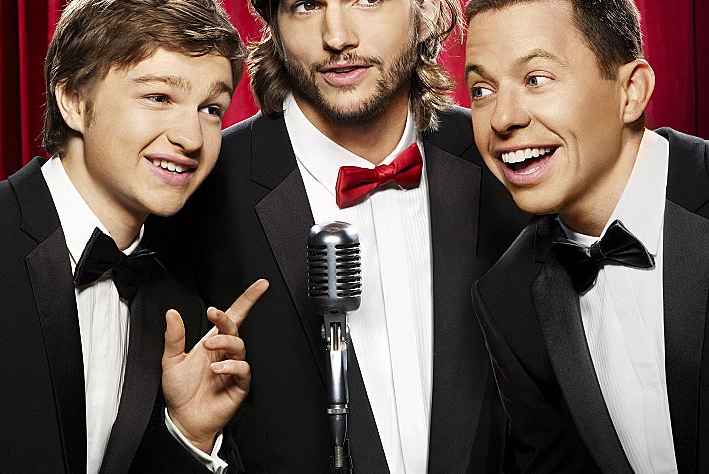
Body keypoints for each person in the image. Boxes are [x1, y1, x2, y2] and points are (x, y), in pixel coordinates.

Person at [145, 0, 528, 472]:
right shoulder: (192, 191)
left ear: (426, 9)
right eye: (306, 5)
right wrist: (190, 438)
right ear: (272, 22)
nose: (337, 36)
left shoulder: (510, 161)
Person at [0, 0, 268, 472]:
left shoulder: (182, 314)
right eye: (159, 97)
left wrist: (189, 435)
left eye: (211, 109)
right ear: (73, 100)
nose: (192, 138)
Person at [465, 0, 709, 472]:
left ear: (630, 91)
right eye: (482, 90)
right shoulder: (506, 297)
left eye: (536, 79)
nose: (502, 119)